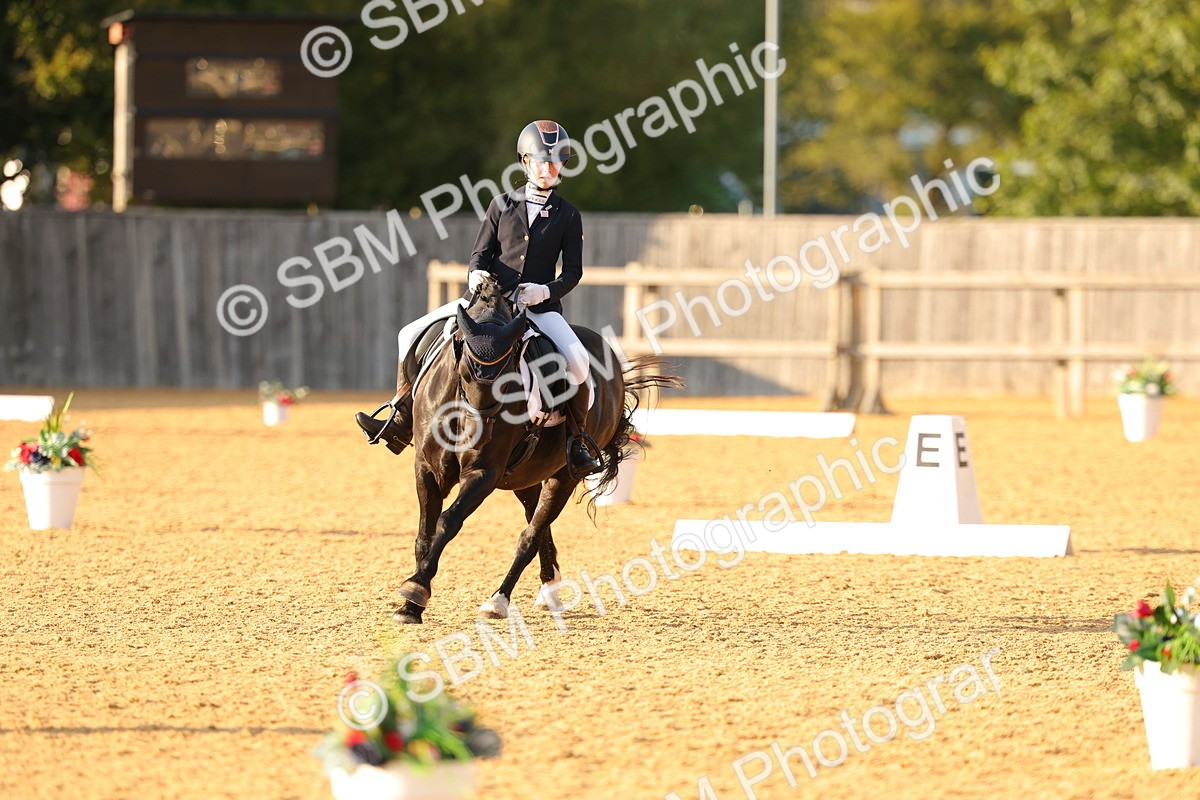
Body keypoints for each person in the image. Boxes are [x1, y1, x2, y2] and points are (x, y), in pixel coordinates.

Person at [355, 119, 602, 476]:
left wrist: (544, 291)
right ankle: (402, 417)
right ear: (525, 161)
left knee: (578, 362)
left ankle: (577, 442)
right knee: (408, 333)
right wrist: (475, 274)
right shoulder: (502, 205)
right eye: (541, 161)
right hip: (488, 305)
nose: (549, 169)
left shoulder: (568, 215)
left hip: (537, 309)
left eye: (556, 162)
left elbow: (573, 273)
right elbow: (480, 254)